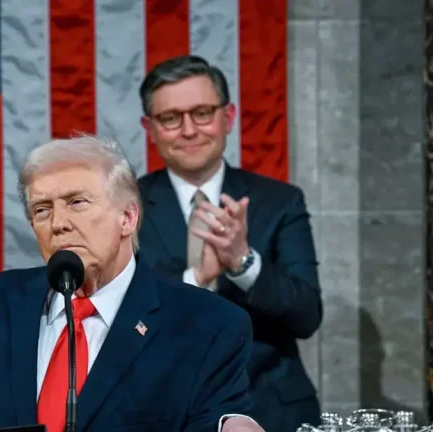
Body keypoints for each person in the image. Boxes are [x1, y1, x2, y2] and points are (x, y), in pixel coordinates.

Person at [0, 135, 264, 432]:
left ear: (128, 217)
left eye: (77, 202)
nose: (58, 223)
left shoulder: (206, 325)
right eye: (42, 209)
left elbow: (219, 418)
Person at [136, 55, 322, 431]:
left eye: (202, 113)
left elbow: (306, 317)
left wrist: (242, 261)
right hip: (160, 410)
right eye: (170, 118)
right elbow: (121, 318)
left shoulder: (280, 202)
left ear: (229, 117)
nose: (189, 130)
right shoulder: (127, 208)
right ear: (149, 128)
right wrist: (197, 278)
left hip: (271, 410)